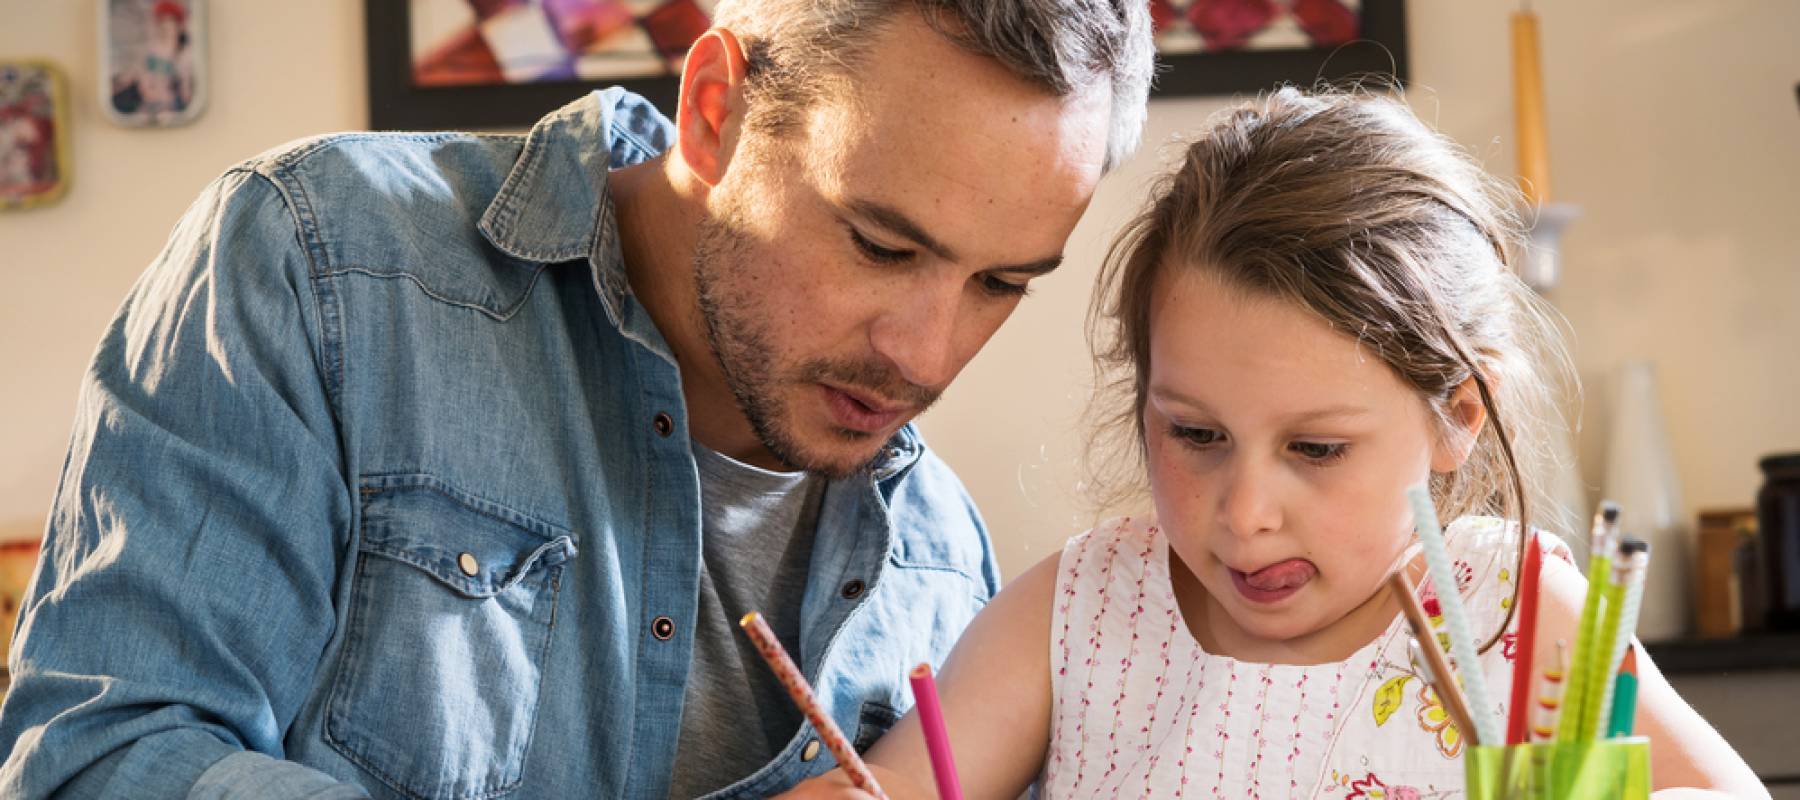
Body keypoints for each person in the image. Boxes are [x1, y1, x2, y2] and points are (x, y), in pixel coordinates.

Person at [0, 2, 1154, 797]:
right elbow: (100, 755)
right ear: (717, 110)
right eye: (879, 245)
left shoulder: (947, 566)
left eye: (1001, 283)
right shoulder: (322, 258)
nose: (926, 353)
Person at [780, 88, 1769, 798]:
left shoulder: (1517, 612)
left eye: (1318, 448)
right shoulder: (1078, 610)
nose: (1246, 510)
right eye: (1197, 433)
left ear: (1458, 414)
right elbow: (894, 784)